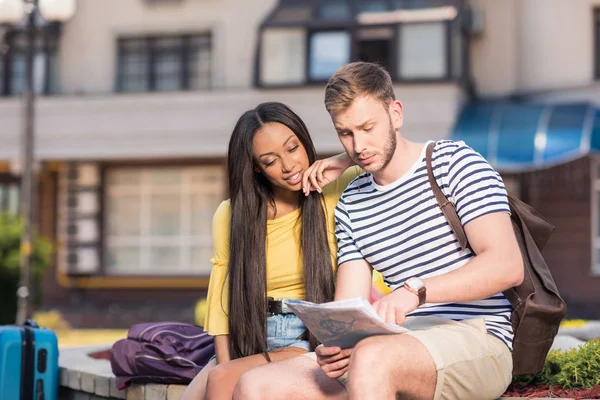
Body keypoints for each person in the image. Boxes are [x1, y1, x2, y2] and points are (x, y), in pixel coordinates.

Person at [232, 62, 524, 400]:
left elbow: (506, 265)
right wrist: (336, 344)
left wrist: (416, 290)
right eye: (346, 133)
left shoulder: (454, 164)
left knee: (372, 357)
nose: (358, 146)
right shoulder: (352, 203)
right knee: (255, 385)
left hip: (477, 337)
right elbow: (348, 306)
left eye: (367, 127)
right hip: (394, 343)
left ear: (396, 114)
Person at [180, 102, 361, 400]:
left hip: (307, 337)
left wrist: (337, 162)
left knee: (223, 379)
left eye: (293, 148)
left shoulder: (334, 191)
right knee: (204, 388)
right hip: (252, 336)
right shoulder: (231, 214)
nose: (289, 165)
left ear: (304, 141)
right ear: (255, 166)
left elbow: (380, 153)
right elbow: (221, 300)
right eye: (270, 160)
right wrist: (228, 365)